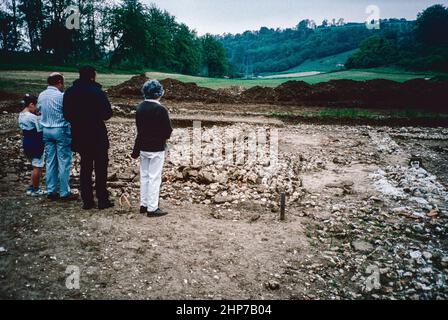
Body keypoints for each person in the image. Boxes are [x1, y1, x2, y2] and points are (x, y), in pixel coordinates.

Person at [63, 66, 114, 210]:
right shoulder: (97, 92)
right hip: (97, 133)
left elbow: (66, 114)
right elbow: (107, 114)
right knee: (101, 168)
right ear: (93, 76)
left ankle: (87, 200)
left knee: (85, 167)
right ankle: (102, 199)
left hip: (80, 134)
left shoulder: (70, 92)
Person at [132, 80, 172, 217]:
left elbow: (139, 130)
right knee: (155, 177)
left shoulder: (140, 107)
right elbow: (168, 131)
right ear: (158, 93)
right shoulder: (161, 109)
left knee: (144, 176)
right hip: (156, 147)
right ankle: (152, 207)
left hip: (143, 146)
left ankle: (143, 204)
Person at [38, 72, 78, 202]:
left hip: (46, 130)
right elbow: (68, 112)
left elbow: (39, 111)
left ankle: (51, 190)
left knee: (50, 161)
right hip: (60, 129)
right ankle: (64, 192)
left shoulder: (41, 95)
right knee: (64, 162)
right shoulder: (61, 96)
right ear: (59, 82)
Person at [18, 94, 46, 197]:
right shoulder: (32, 117)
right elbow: (40, 129)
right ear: (31, 104)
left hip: (27, 141)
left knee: (34, 165)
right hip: (35, 142)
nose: (36, 108)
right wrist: (39, 117)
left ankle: (31, 186)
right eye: (36, 106)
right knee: (37, 167)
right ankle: (35, 188)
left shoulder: (21, 115)